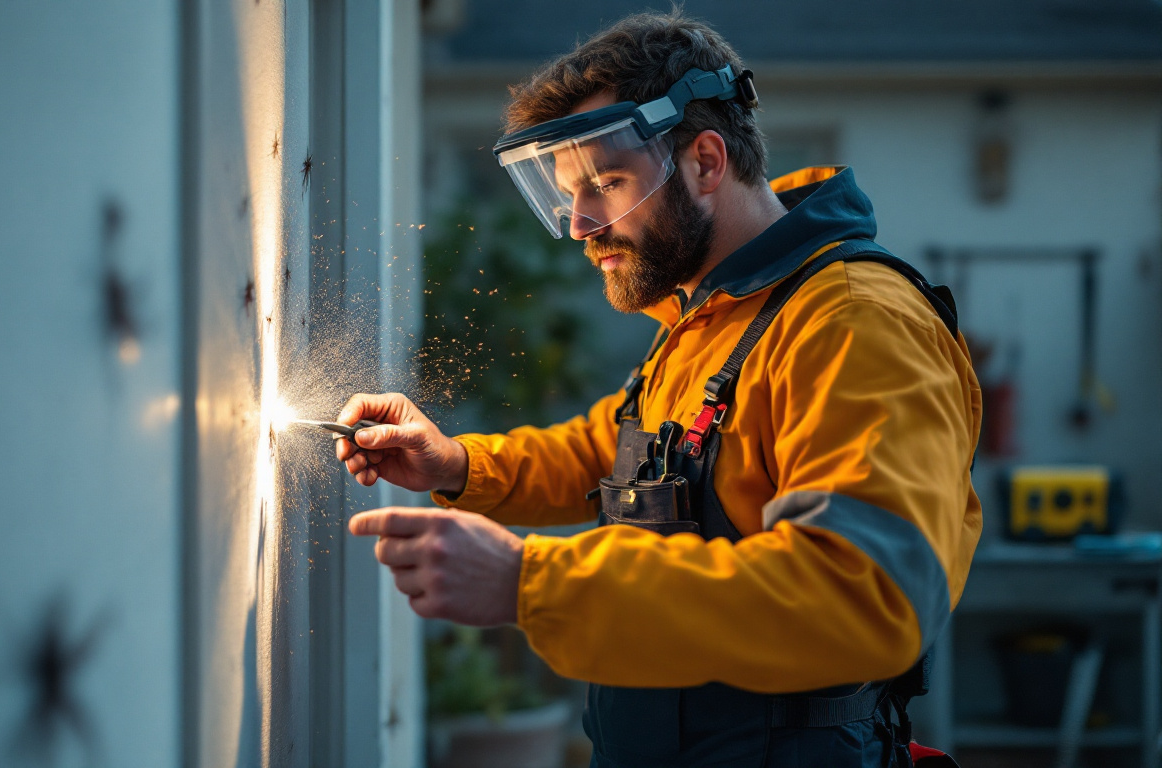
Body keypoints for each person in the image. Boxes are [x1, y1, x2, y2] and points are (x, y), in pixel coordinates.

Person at [337, 10, 980, 767]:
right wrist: (457, 465)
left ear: (706, 162)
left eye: (607, 183)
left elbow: (864, 594)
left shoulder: (851, 324)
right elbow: (610, 451)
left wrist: (531, 581)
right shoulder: (708, 315)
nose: (579, 224)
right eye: (568, 194)